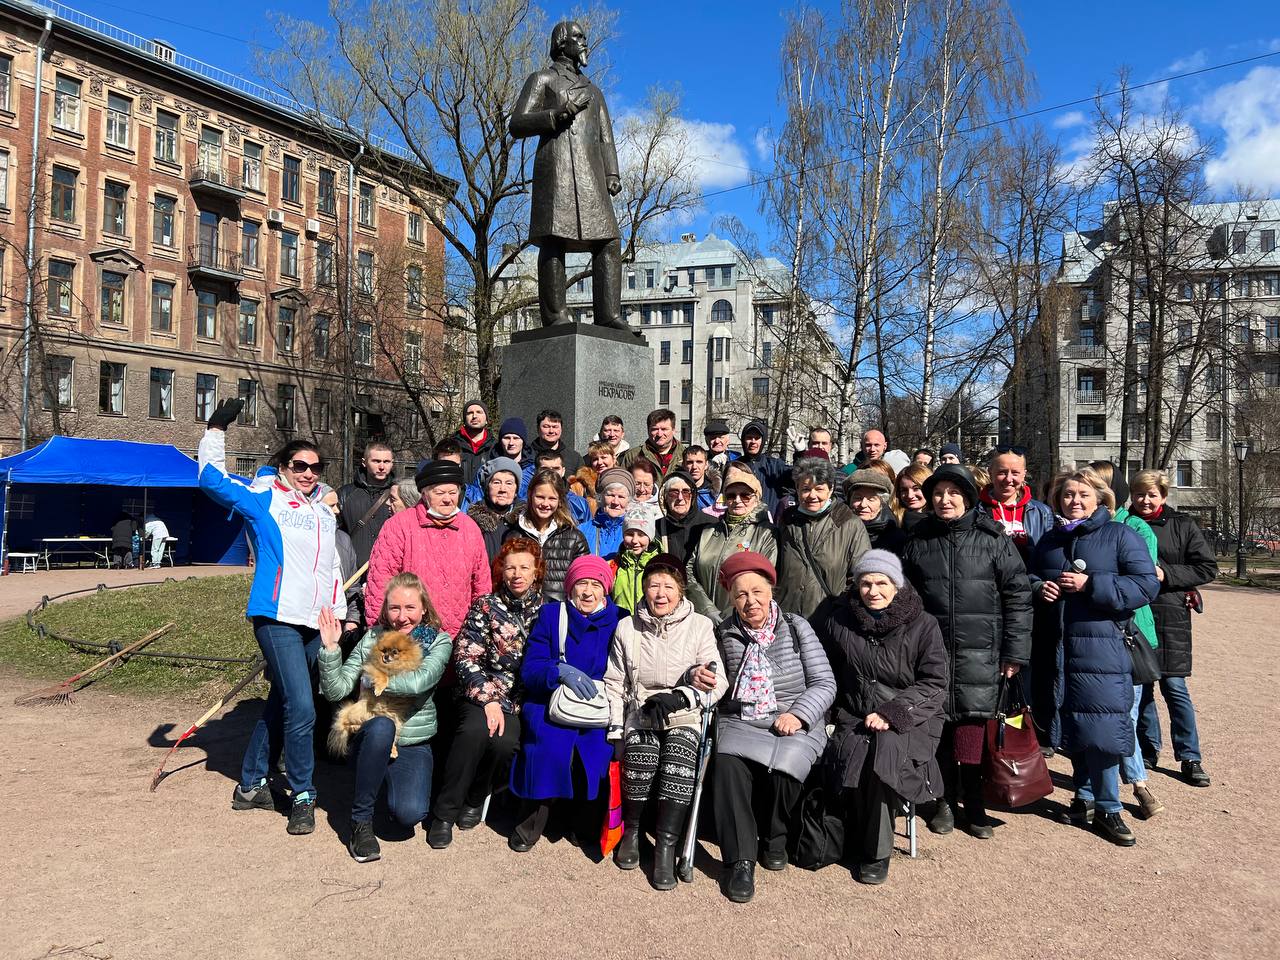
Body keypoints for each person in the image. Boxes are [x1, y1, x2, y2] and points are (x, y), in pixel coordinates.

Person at [197, 398, 344, 836]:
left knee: (282, 701)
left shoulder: (323, 510)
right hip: (277, 616)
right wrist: (216, 430)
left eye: (316, 467)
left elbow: (331, 565)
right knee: (302, 706)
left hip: (318, 622)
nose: (309, 473)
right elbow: (211, 481)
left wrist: (338, 613)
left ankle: (251, 786)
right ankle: (303, 795)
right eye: (300, 465)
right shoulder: (265, 499)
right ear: (282, 467)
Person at [1030, 467, 1160, 847]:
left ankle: (1109, 806)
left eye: (1083, 495)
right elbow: (1030, 575)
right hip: (1058, 646)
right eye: (1068, 495)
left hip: (1102, 647)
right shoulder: (1050, 540)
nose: (1074, 501)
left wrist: (1092, 584)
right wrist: (1040, 588)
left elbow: (1145, 585)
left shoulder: (1121, 535)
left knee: (1102, 727)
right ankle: (1083, 797)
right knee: (1072, 722)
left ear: (1100, 499)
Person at [901, 463, 1032, 840]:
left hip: (982, 650)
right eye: (938, 493)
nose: (945, 500)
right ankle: (942, 800)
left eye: (953, 493)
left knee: (973, 726)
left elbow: (1018, 598)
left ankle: (974, 802)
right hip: (931, 650)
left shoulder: (993, 539)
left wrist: (1014, 653)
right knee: (939, 725)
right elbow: (906, 597)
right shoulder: (918, 539)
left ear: (969, 498)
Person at [815, 549, 947, 885]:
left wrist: (894, 712)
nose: (873, 590)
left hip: (913, 715)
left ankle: (876, 851)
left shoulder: (923, 624)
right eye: (866, 583)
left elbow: (935, 682)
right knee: (848, 751)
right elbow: (825, 670)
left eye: (881, 582)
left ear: (896, 585)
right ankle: (845, 837)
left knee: (882, 755)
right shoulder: (840, 621)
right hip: (854, 711)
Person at [711, 551, 836, 903]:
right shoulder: (725, 633)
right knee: (727, 764)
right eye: (741, 595)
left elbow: (825, 683)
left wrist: (798, 715)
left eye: (757, 592)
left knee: (786, 770)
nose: (750, 601)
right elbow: (718, 682)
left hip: (794, 715)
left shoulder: (797, 627)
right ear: (732, 600)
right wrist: (701, 675)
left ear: (771, 592)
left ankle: (774, 837)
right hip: (744, 718)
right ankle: (739, 861)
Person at [603, 553, 727, 887]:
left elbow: (719, 682)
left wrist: (688, 692)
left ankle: (666, 846)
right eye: (653, 585)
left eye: (668, 586)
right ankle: (631, 830)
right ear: (643, 588)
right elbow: (614, 683)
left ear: (681, 590)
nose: (660, 593)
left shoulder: (700, 625)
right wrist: (616, 729)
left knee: (679, 756)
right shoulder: (628, 627)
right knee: (641, 754)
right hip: (640, 708)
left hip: (684, 709)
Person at [318, 573, 451, 862]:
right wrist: (330, 650)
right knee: (381, 727)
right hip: (374, 730)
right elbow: (336, 689)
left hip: (413, 740)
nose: (402, 617)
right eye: (394, 608)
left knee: (409, 815)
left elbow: (419, 682)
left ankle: (377, 779)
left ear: (423, 608)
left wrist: (377, 679)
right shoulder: (373, 637)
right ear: (385, 610)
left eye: (409, 608)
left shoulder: (439, 641)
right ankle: (360, 822)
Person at [428, 539, 546, 849]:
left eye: (524, 567)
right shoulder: (486, 605)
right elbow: (467, 656)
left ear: (537, 572)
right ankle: (444, 812)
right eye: (510, 568)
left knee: (506, 744)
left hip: (520, 698)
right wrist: (489, 699)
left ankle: (476, 796)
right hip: (482, 689)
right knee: (473, 733)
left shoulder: (548, 612)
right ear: (501, 572)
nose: (516, 574)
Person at [509, 555, 626, 852]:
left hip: (599, 706)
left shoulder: (621, 620)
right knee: (548, 747)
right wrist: (557, 671)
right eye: (581, 584)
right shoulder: (552, 615)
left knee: (596, 752)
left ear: (606, 589)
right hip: (552, 702)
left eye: (596, 584)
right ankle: (529, 824)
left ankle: (582, 825)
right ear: (570, 587)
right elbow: (531, 668)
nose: (588, 592)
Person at [1129, 469, 1218, 787]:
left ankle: (1190, 756)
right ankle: (1149, 750)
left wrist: (1166, 574)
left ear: (1164, 496)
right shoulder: (1124, 525)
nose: (1145, 500)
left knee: (1175, 688)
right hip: (1136, 615)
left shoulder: (1182, 525)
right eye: (1140, 494)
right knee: (1143, 690)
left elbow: (1207, 567)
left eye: (1152, 494)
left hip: (1171, 615)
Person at [1088, 461, 1163, 818]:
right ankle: (1109, 785)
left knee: (1126, 714)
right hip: (1094, 636)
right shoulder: (1079, 528)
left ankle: (1137, 782)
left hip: (1130, 633)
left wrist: (1093, 583)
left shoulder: (1134, 528)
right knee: (1109, 713)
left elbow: (1143, 583)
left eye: (1095, 485)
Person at [366, 459, 491, 640]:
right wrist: (381, 633)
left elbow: (481, 584)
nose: (447, 499)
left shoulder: (470, 528)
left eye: (453, 492)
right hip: (410, 634)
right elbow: (379, 582)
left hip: (461, 635)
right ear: (424, 494)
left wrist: (479, 629)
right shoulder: (399, 526)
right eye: (439, 493)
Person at [776, 456, 871, 618]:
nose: (812, 495)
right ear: (797, 490)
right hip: (787, 615)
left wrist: (841, 607)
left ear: (831, 489)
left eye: (819, 489)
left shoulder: (848, 523)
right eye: (806, 489)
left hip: (828, 618)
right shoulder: (787, 520)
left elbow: (862, 574)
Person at [686, 463, 778, 624]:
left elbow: (763, 581)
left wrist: (730, 615)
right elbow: (689, 572)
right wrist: (707, 609)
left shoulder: (766, 533)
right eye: (731, 495)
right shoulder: (709, 531)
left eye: (745, 495)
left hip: (743, 621)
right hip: (705, 620)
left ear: (756, 497)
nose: (737, 500)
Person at [502, 468, 589, 602]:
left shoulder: (574, 538)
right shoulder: (513, 533)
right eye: (540, 497)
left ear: (560, 500)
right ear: (530, 495)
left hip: (559, 612)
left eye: (552, 498)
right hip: (520, 612)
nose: (545, 504)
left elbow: (583, 580)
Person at [978, 446, 1053, 561]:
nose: (1008, 479)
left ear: (1024, 474)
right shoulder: (976, 511)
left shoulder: (1042, 513)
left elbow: (1048, 557)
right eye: (1002, 472)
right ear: (990, 473)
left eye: (1015, 473)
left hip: (1029, 578)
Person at [337, 442, 397, 571]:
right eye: (376, 461)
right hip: (352, 573)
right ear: (364, 462)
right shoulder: (345, 494)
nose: (381, 466)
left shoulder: (400, 496)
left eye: (386, 462)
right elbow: (335, 534)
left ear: (392, 463)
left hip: (389, 571)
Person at [467, 457, 524, 561]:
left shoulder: (526, 521)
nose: (502, 489)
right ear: (487, 488)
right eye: (496, 482)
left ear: (516, 490)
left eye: (509, 483)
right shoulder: (472, 523)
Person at [655, 468, 716, 562]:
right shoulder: (656, 528)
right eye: (674, 492)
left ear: (693, 496)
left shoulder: (711, 524)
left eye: (686, 492)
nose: (680, 498)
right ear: (665, 497)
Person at [843, 468, 906, 555]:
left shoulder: (895, 536)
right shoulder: (835, 529)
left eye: (871, 499)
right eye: (858, 498)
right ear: (849, 500)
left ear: (882, 503)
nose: (863, 504)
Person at [610, 506, 659, 613]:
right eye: (630, 534)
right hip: (622, 624)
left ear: (650, 537)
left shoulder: (660, 565)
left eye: (641, 535)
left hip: (650, 625)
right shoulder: (614, 565)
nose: (635, 540)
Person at [578, 466, 633, 557]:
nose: (615, 502)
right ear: (600, 497)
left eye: (621, 497)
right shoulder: (582, 531)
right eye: (611, 495)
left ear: (629, 501)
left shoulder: (634, 532)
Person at [622, 408, 687, 479]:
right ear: (648, 430)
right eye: (655, 429)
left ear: (673, 430)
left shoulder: (685, 455)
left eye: (664, 429)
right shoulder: (633, 456)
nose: (659, 434)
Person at [455, 400, 498, 486]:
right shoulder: (452, 445)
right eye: (470, 413)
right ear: (464, 419)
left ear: (486, 419)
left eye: (479, 412)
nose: (474, 416)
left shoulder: (496, 447)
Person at [530, 408, 583, 473]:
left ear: (561, 429)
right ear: (538, 429)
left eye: (555, 427)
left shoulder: (574, 458)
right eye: (546, 426)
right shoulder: (527, 455)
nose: (551, 431)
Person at [894, 464, 931, 533]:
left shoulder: (944, 519)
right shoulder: (892, 522)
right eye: (904, 490)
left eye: (916, 488)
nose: (910, 495)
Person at [681, 445, 718, 509]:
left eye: (699, 462)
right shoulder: (676, 492)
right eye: (690, 462)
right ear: (683, 465)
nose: (694, 467)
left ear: (706, 465)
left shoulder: (715, 493)